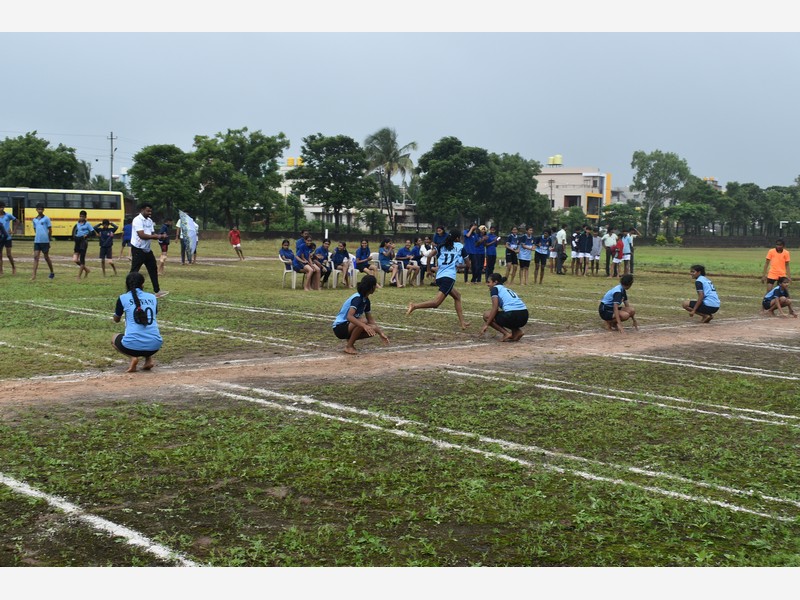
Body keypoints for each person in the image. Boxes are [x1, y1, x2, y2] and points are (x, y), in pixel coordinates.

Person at [406, 231, 470, 330]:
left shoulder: (441, 246)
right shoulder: (460, 247)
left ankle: (462, 323)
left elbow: (429, 256)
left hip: (439, 276)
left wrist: (428, 270)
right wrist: (459, 266)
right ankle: (414, 306)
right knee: (436, 303)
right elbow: (468, 265)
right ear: (457, 238)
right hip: (448, 277)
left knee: (457, 296)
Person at [112, 271, 163, 373]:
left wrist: (117, 315)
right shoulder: (152, 297)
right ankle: (148, 359)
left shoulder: (123, 298)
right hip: (155, 345)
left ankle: (133, 357)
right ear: (142, 284)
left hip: (132, 346)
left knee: (114, 338)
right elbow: (154, 314)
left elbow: (116, 319)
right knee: (147, 333)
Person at [332, 274, 389, 354]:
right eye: (375, 285)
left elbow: (370, 319)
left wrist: (380, 333)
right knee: (363, 322)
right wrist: (364, 326)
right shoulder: (357, 298)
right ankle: (349, 346)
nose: (376, 287)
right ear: (371, 287)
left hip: (348, 326)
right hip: (340, 327)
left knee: (373, 329)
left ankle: (350, 340)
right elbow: (349, 316)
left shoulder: (366, 300)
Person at [130, 203, 169, 298]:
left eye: (151, 211)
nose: (150, 213)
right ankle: (130, 291)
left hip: (147, 249)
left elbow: (152, 233)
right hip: (138, 249)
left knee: (153, 269)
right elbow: (142, 235)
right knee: (134, 271)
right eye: (148, 211)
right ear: (142, 210)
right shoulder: (137, 220)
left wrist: (161, 237)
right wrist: (156, 236)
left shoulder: (150, 221)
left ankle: (157, 291)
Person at [481, 273, 529, 342]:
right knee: (506, 314)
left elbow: (495, 308)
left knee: (487, 315)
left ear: (495, 282)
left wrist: (486, 324)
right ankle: (517, 332)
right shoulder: (505, 289)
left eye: (488, 282)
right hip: (524, 315)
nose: (487, 284)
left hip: (513, 315)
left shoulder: (494, 289)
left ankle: (506, 333)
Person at [31, 203, 55, 281]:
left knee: (46, 257)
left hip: (45, 241)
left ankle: (52, 272)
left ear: (43, 210)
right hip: (37, 241)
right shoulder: (34, 220)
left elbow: (50, 230)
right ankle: (34, 275)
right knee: (35, 257)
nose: (40, 210)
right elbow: (35, 229)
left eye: (41, 209)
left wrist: (48, 239)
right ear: (36, 210)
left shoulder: (46, 219)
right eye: (38, 209)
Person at [71, 210, 95, 280]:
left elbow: (93, 232)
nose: (81, 218)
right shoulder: (77, 223)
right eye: (80, 216)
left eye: (83, 216)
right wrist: (75, 236)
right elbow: (76, 231)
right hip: (77, 241)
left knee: (82, 259)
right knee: (75, 259)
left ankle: (78, 276)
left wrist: (86, 235)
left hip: (83, 242)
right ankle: (86, 270)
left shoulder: (87, 224)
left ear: (85, 217)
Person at [0, 201, 18, 275]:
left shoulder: (8, 215)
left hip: (7, 238)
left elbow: (17, 221)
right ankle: (1, 271)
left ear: (4, 207)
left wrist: (14, 231)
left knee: (8, 254)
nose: (0, 209)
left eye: (2, 207)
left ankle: (13, 267)